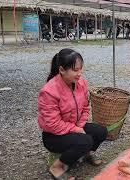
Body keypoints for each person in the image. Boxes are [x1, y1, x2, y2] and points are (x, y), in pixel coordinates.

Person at [38, 48, 108, 180]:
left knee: (101, 131)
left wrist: (80, 126)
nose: (79, 74)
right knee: (85, 140)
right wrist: (76, 129)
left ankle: (86, 153)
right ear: (62, 70)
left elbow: (86, 107)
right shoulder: (48, 91)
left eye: (81, 69)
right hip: (53, 135)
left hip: (74, 126)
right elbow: (52, 124)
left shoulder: (81, 83)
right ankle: (57, 167)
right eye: (75, 70)